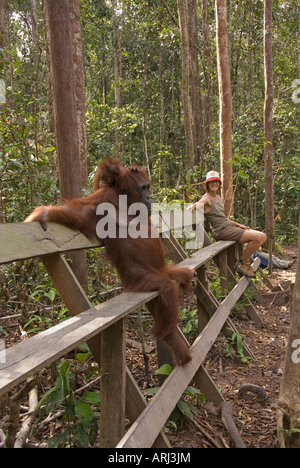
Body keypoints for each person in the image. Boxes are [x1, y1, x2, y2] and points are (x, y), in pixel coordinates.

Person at [187, 170, 267, 278]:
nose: (214, 184)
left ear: (219, 183)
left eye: (216, 181)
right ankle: (243, 263)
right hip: (221, 231)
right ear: (207, 184)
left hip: (228, 228)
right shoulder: (207, 198)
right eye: (211, 182)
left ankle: (245, 262)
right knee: (260, 237)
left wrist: (239, 225)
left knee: (261, 237)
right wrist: (193, 206)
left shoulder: (218, 198)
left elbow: (223, 218)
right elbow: (199, 203)